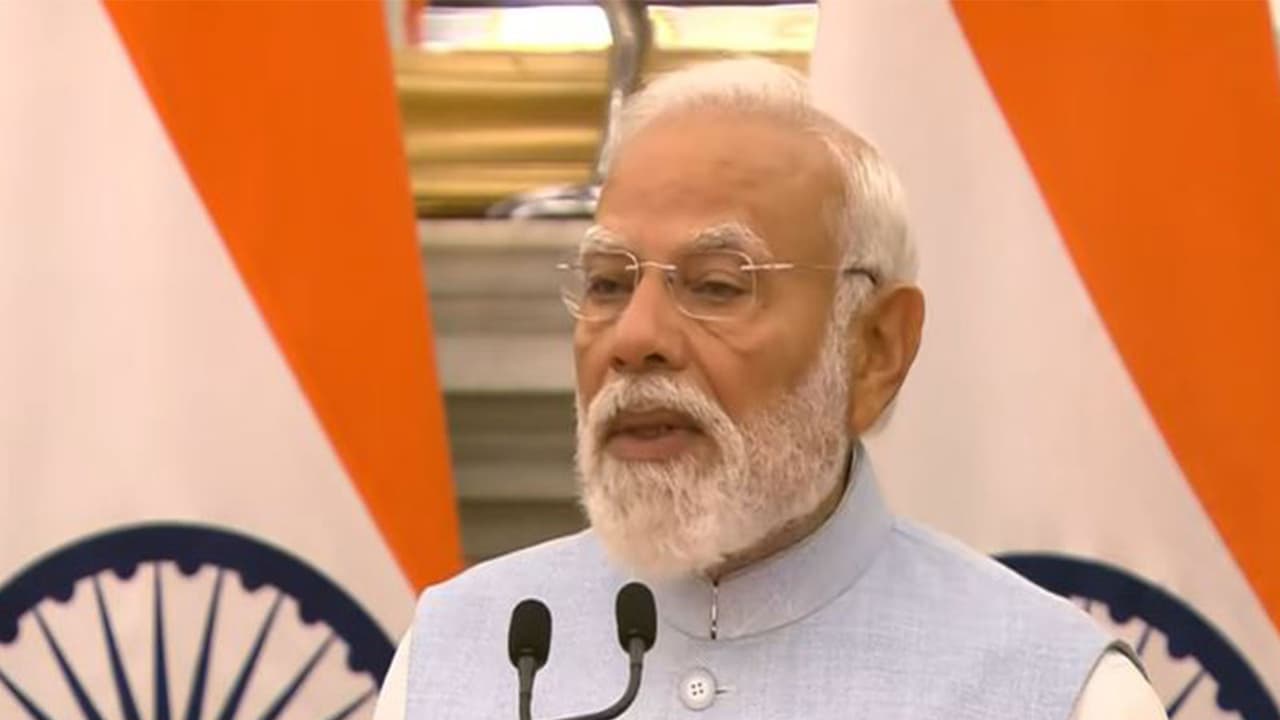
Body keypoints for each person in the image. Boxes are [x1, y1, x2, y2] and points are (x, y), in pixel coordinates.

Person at [375, 58, 1166, 719]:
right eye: (608, 283)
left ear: (875, 349)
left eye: (717, 287)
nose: (635, 338)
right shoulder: (464, 654)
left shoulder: (1060, 695)